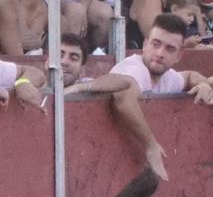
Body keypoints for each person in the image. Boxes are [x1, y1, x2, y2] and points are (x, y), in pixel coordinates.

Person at [112, 15, 213, 155]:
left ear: (178, 56)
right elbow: (124, 100)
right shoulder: (135, 69)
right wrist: (151, 146)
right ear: (144, 45)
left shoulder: (166, 76)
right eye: (155, 44)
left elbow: (190, 76)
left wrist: (203, 84)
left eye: (170, 49)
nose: (160, 53)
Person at [58, 36, 169, 178]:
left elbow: (124, 82)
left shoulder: (85, 85)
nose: (64, 62)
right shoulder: (35, 83)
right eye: (59, 55)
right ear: (48, 60)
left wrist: (78, 88)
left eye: (73, 58)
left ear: (82, 67)